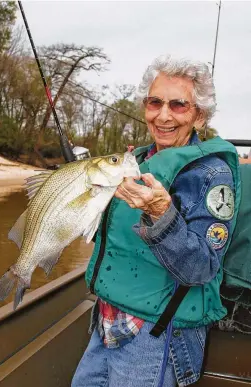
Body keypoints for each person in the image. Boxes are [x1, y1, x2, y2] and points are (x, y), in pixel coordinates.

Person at [72, 56, 240, 387]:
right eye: (155, 102)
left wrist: (162, 212)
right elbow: (113, 238)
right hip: (107, 318)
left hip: (158, 333)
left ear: (199, 116)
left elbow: (200, 269)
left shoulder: (212, 176)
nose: (163, 115)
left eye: (178, 105)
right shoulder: (137, 162)